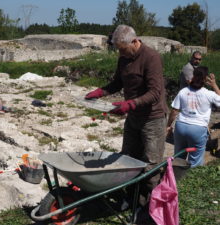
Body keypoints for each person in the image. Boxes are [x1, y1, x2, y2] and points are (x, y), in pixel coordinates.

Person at [85, 24, 168, 223]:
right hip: (133, 118)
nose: (120, 53)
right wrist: (101, 92)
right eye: (118, 49)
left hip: (152, 119)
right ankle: (130, 200)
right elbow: (117, 83)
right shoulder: (123, 58)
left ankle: (149, 209)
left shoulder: (151, 57)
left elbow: (155, 93)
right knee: (128, 161)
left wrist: (130, 104)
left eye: (123, 48)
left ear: (134, 41)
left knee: (150, 167)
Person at [167, 66, 220, 167]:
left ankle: (176, 178)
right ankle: (190, 180)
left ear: (193, 76)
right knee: (195, 160)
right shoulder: (209, 94)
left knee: (178, 157)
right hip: (198, 129)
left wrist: (168, 126)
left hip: (181, 126)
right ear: (205, 79)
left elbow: (174, 111)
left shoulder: (183, 91)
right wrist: (214, 85)